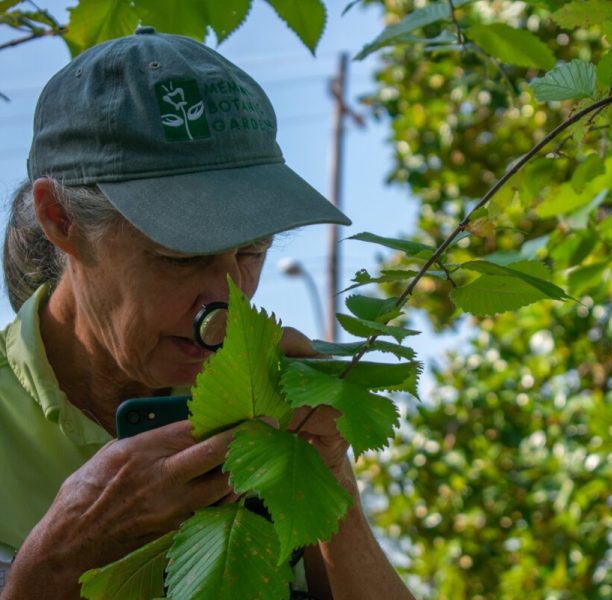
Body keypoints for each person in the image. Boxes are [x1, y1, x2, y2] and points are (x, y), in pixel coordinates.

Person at [0, 26, 414, 600]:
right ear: (60, 219)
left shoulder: (261, 398)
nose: (225, 303)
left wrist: (328, 484)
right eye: (180, 257)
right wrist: (51, 568)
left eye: (252, 251)